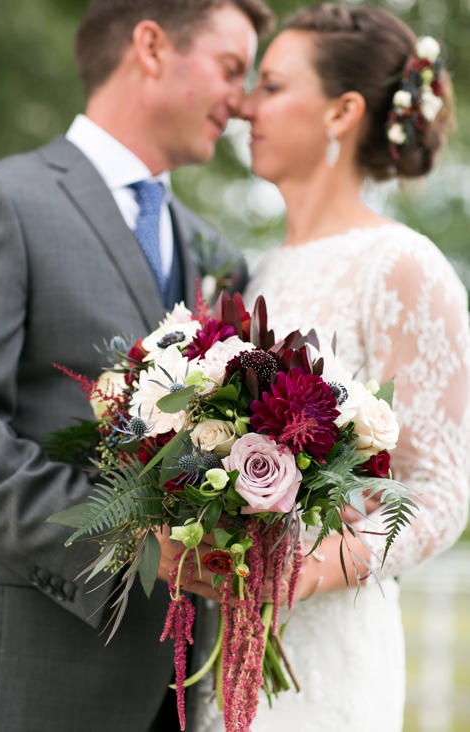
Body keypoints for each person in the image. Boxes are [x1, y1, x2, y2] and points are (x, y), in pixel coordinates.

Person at [0, 1, 273, 729]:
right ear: (150, 46)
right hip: (45, 666)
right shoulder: (6, 201)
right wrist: (132, 542)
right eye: (231, 69)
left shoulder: (217, 254)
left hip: (181, 686)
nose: (240, 102)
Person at [198, 4, 470, 730]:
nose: (245, 106)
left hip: (329, 658)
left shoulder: (403, 265)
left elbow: (441, 493)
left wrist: (311, 570)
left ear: (341, 112)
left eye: (275, 86)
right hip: (222, 644)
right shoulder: (256, 273)